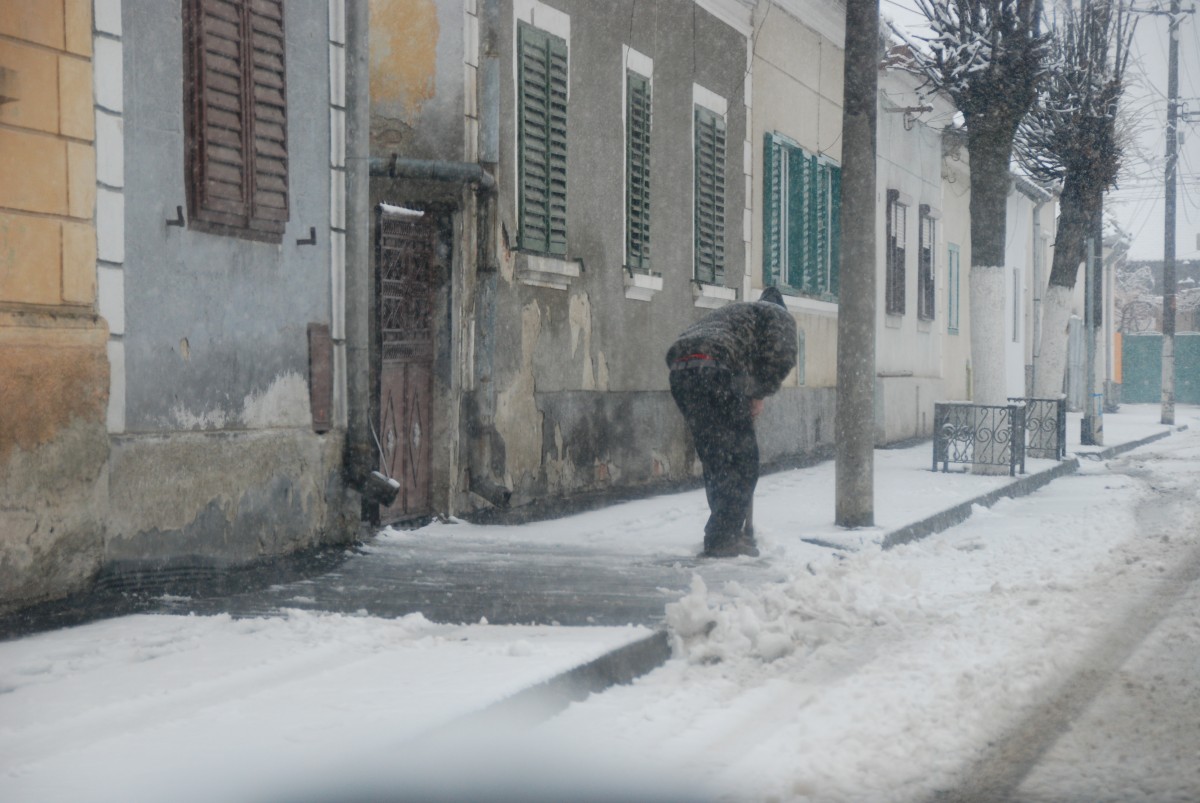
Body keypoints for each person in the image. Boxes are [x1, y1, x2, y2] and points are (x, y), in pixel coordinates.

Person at [665, 286, 797, 558]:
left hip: (681, 367)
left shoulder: (737, 314)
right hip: (715, 368)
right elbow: (781, 356)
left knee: (716, 457)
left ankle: (723, 532)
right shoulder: (778, 315)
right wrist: (758, 394)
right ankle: (724, 538)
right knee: (742, 460)